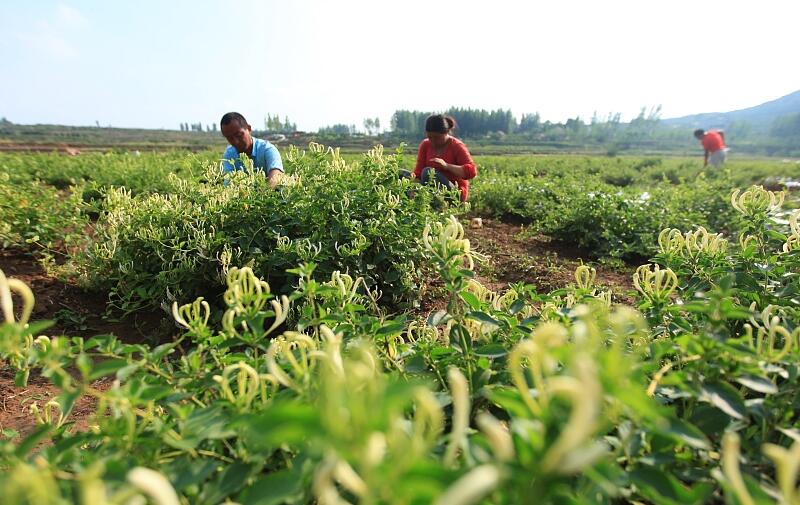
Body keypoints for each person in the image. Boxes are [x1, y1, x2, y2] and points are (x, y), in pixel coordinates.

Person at [408, 114, 477, 202]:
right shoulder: (425, 145)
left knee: (428, 172)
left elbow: (471, 172)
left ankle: (437, 209)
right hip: (432, 190)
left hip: (454, 193)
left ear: (446, 132)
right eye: (429, 137)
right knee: (401, 175)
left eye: (437, 137)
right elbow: (418, 172)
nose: (433, 141)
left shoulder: (457, 146)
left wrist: (447, 166)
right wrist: (413, 188)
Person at [220, 112, 283, 188]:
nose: (235, 141)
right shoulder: (229, 154)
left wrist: (263, 194)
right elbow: (228, 183)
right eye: (229, 138)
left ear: (249, 128)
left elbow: (275, 177)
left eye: (239, 135)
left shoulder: (267, 150)